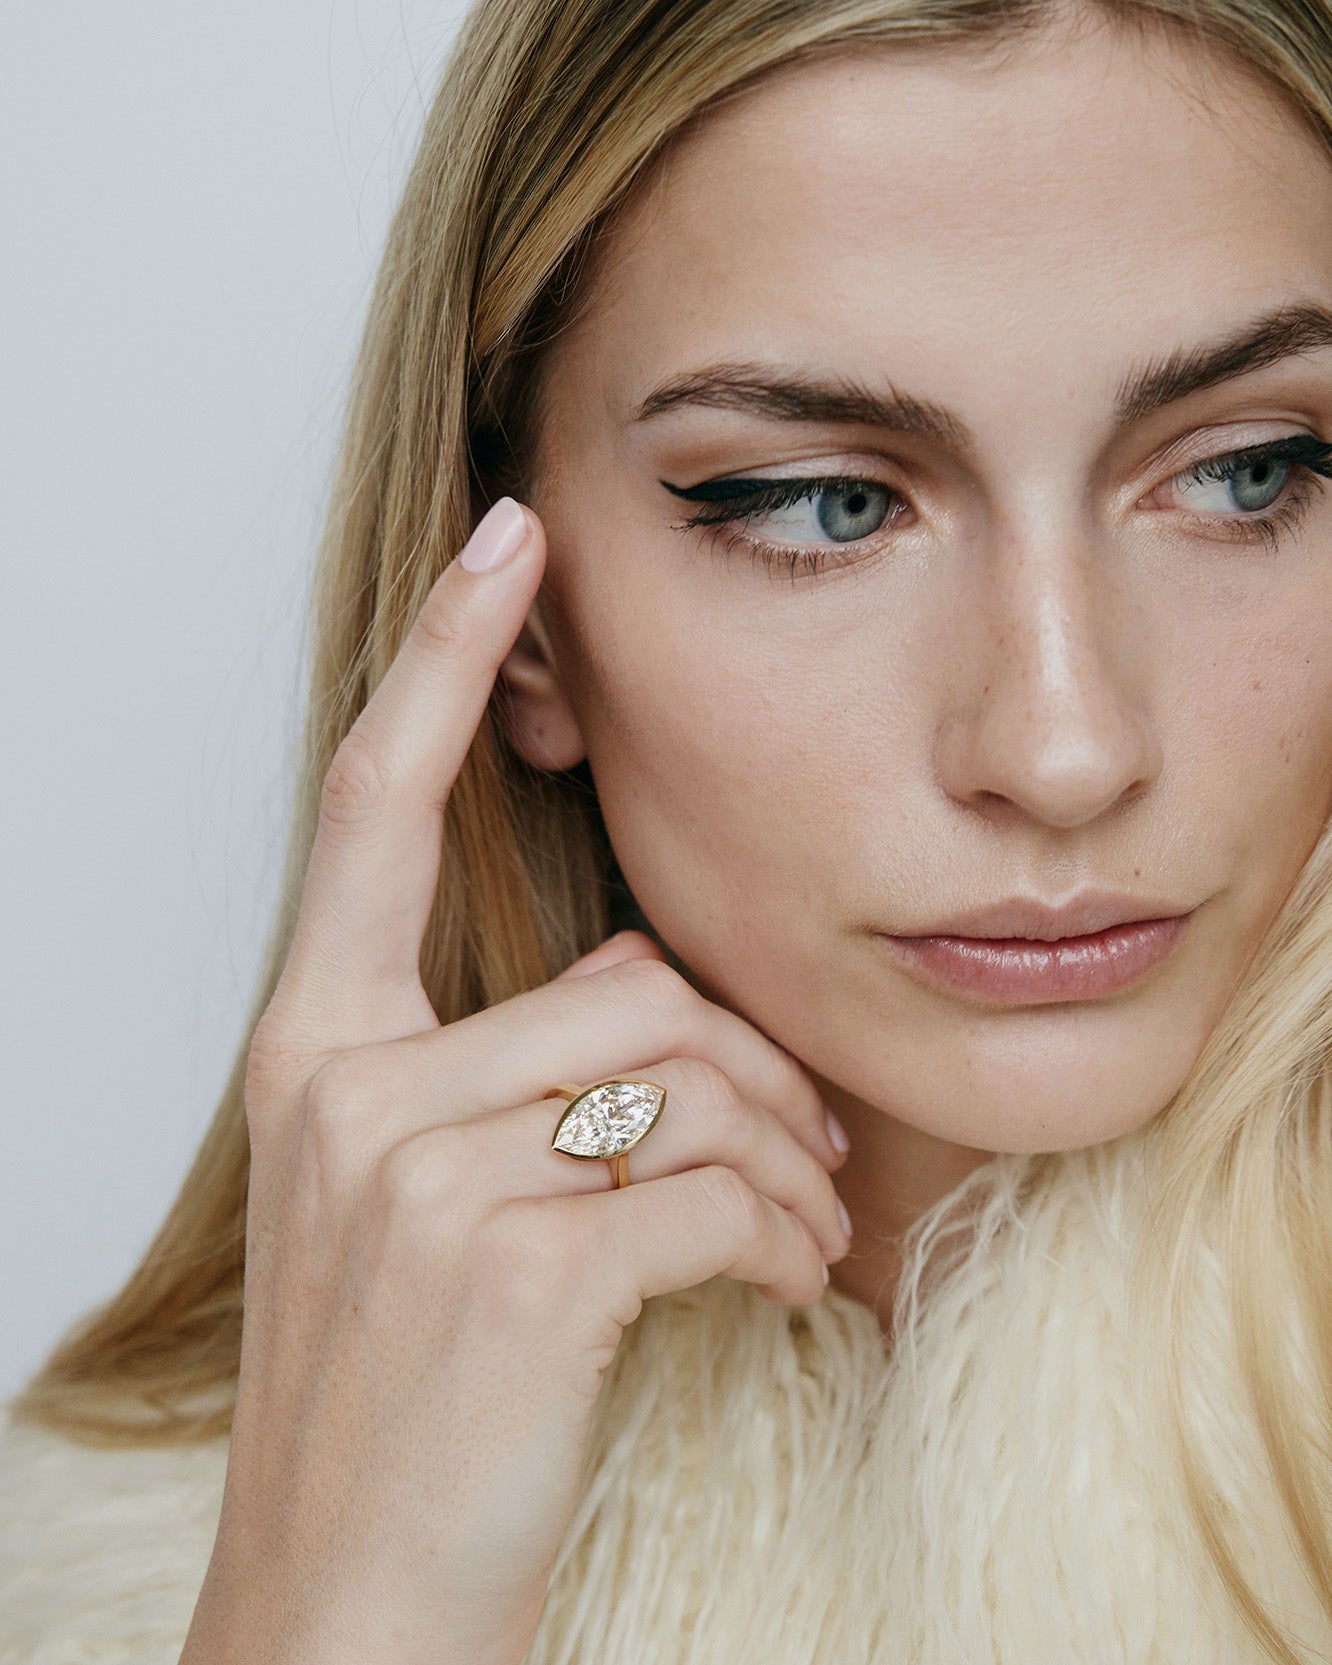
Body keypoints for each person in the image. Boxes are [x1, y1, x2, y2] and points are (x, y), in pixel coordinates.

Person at [5, 0, 1332, 1658]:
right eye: (824, 506)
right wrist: (337, 1605)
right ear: (529, 616)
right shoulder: (98, 1564)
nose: (1062, 748)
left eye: (1252, 472)